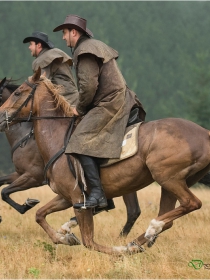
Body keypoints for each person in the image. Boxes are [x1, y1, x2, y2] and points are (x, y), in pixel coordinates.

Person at [53, 15, 146, 209]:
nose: (63, 38)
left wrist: (78, 109)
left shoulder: (85, 50)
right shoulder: (93, 46)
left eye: (64, 33)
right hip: (116, 98)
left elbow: (88, 87)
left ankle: (97, 195)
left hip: (110, 103)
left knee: (79, 141)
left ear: (74, 32)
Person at [23, 31, 78, 105]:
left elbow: (40, 88)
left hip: (66, 102)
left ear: (39, 45)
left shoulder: (43, 59)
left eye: (31, 44)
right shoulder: (53, 53)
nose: (29, 47)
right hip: (72, 98)